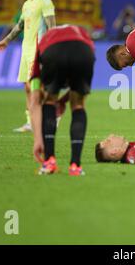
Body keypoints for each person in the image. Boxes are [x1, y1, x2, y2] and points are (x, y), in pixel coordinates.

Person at [0, 0, 56, 133]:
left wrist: (50, 49)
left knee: (36, 87)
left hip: (39, 50)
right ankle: (31, 121)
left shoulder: (45, 2)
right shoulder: (27, 4)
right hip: (26, 50)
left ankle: (48, 118)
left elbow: (52, 27)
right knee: (27, 88)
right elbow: (20, 26)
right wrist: (6, 41)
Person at [29, 25, 95, 176]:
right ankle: (75, 166)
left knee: (49, 100)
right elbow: (75, 89)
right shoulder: (82, 33)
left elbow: (34, 100)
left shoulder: (42, 45)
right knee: (78, 104)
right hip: (83, 51)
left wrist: (38, 140)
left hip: (54, 51)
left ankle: (49, 162)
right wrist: (65, 101)